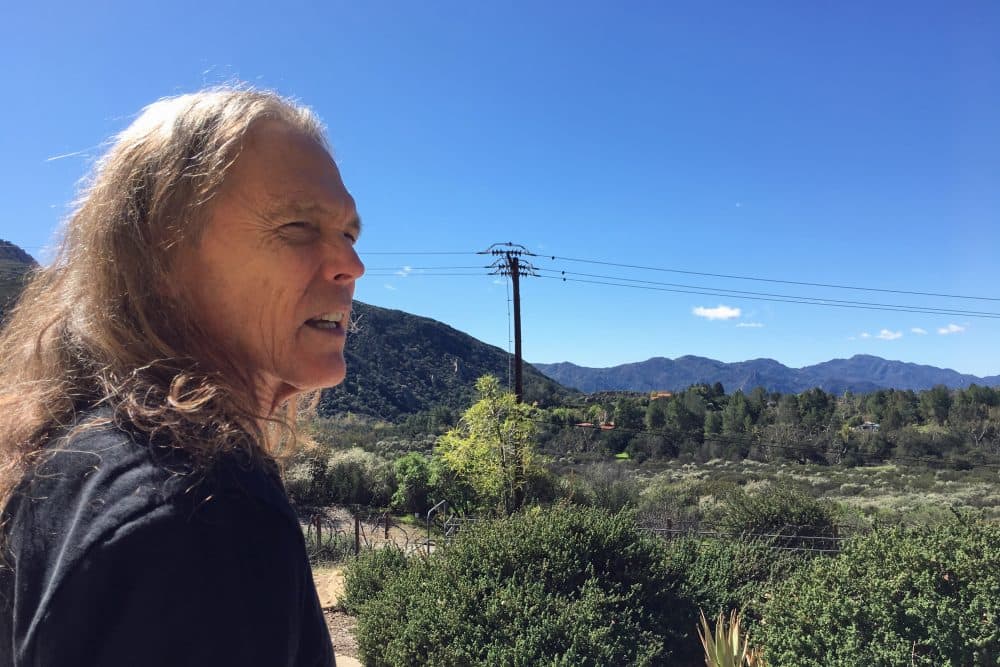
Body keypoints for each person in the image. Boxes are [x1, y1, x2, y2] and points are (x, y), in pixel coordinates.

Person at [0, 87, 364, 666]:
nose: (352, 264)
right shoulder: (205, 513)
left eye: (349, 233)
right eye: (297, 226)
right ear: (161, 253)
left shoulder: (77, 456)